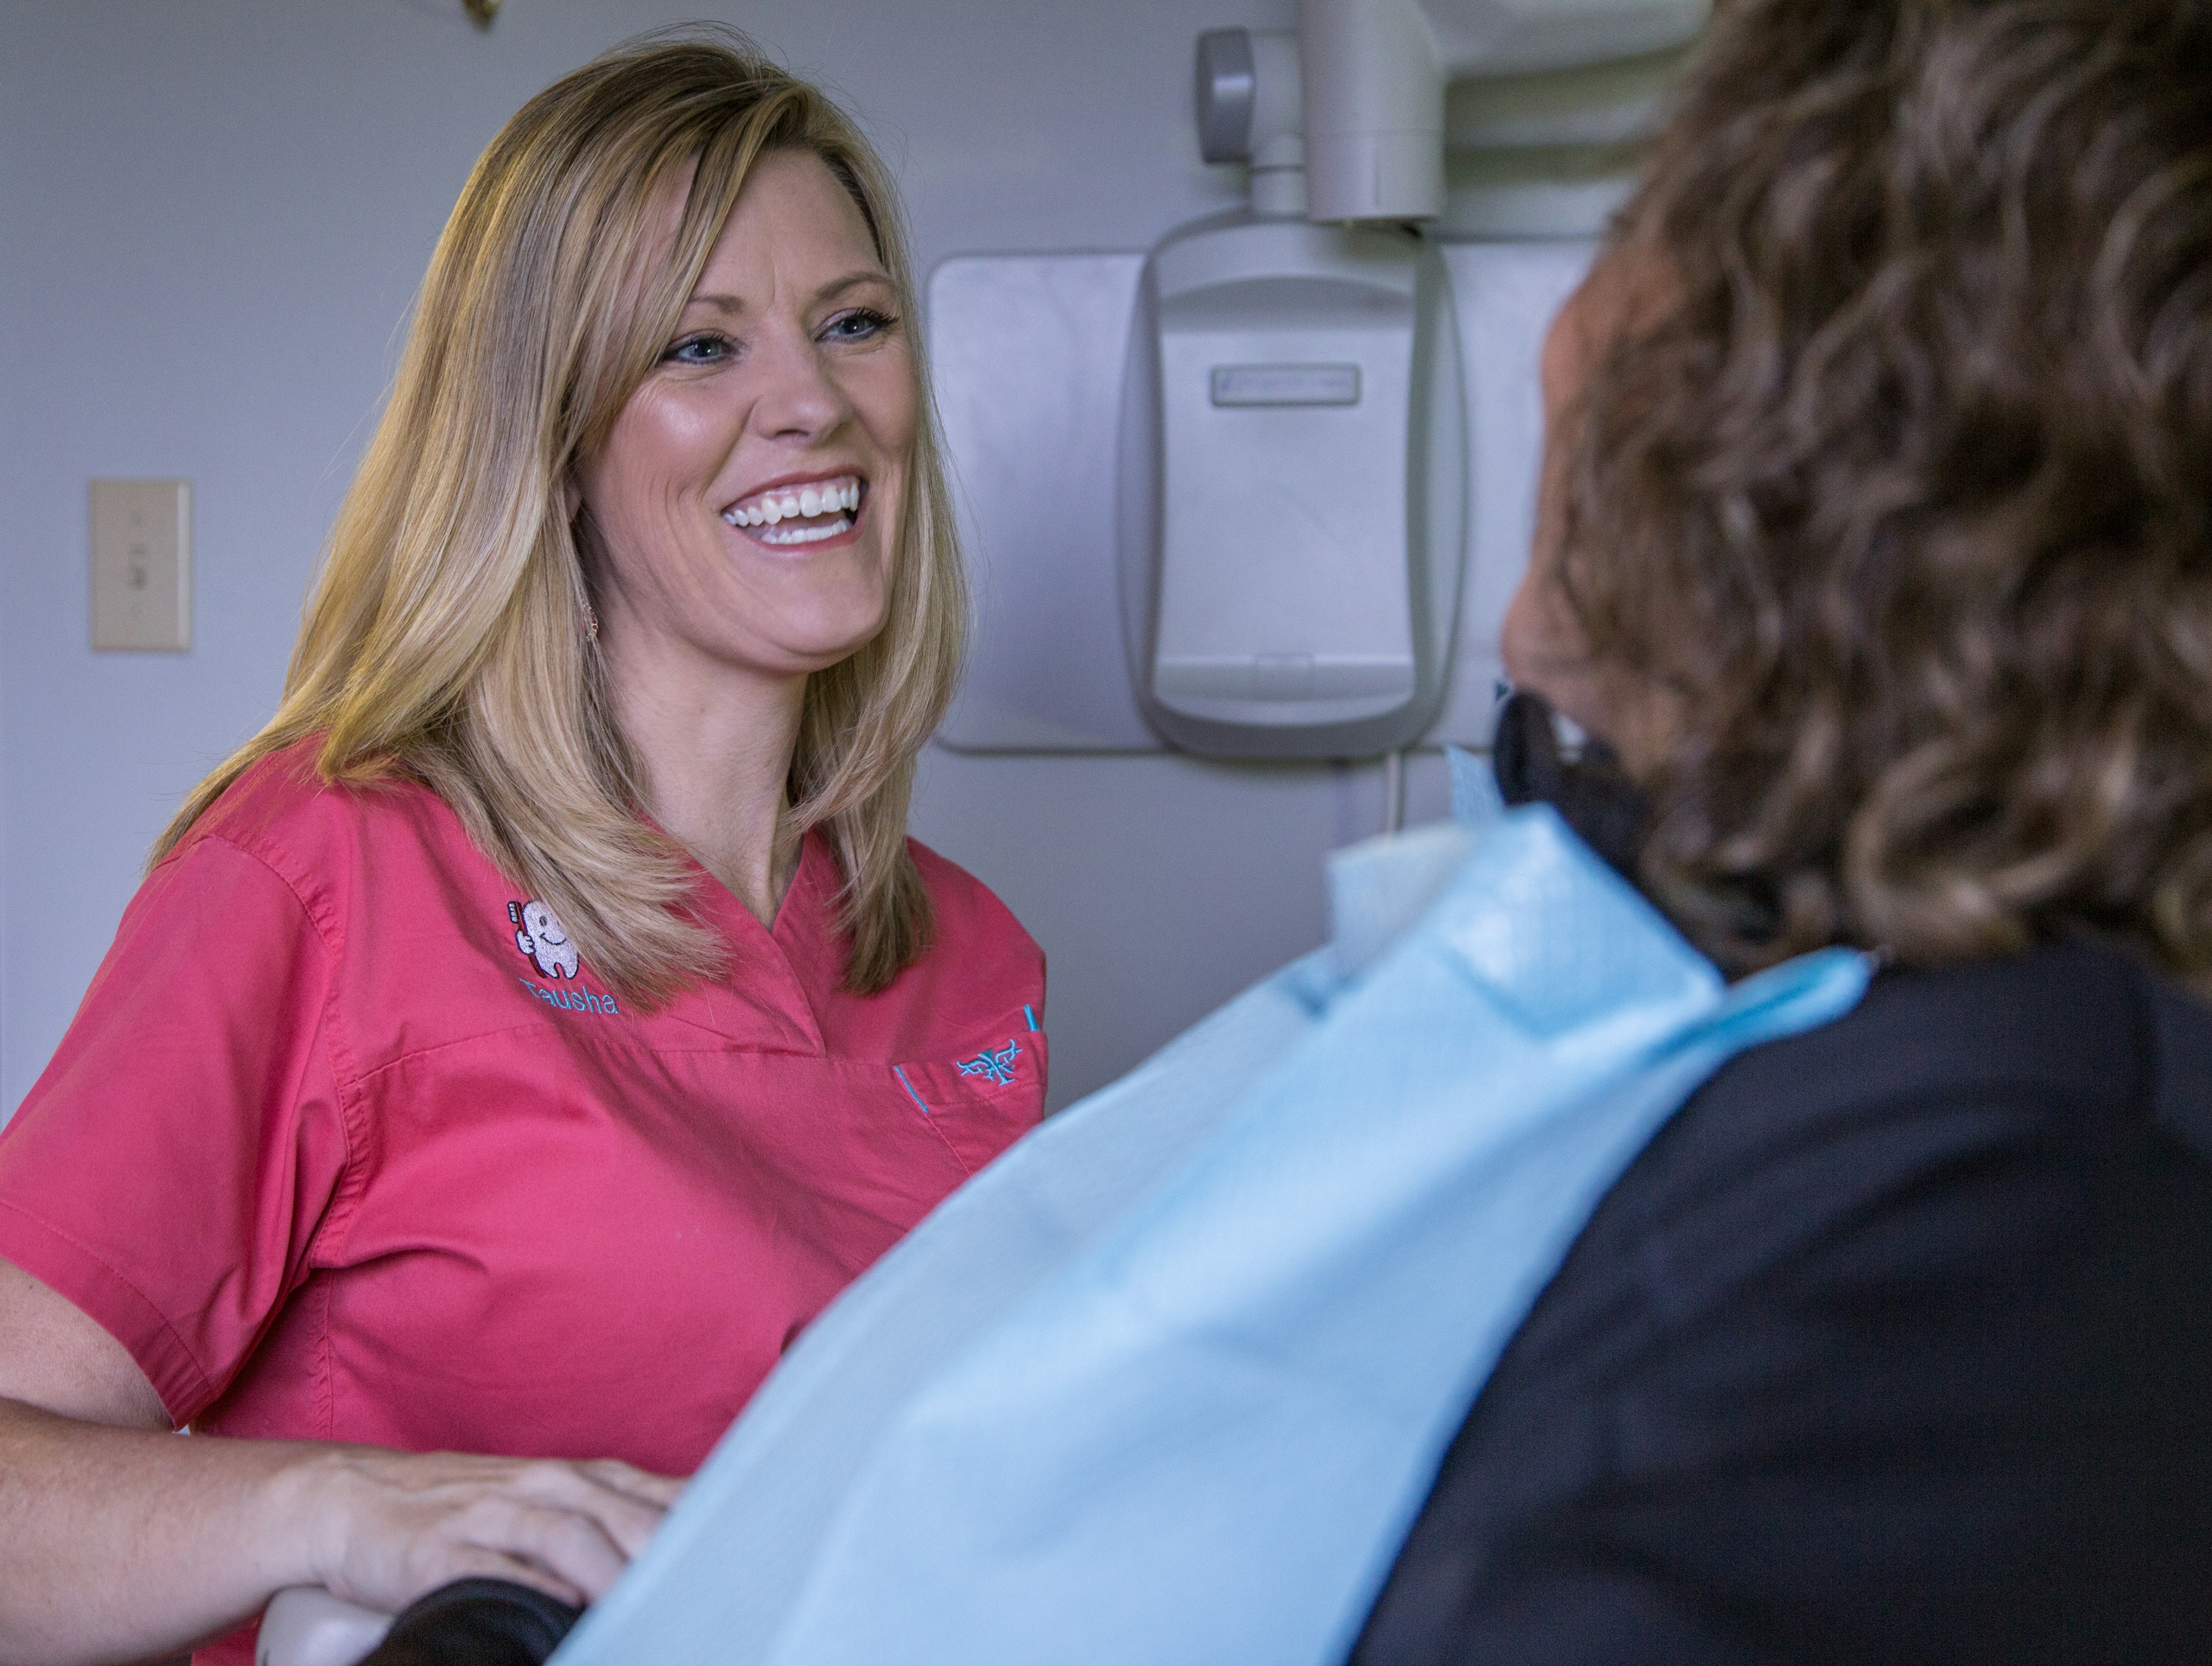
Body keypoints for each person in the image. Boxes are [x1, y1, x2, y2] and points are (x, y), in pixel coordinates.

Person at [0, 29, 1046, 1666]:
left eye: (855, 323)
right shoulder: (327, 872)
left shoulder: (969, 958)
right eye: (701, 347)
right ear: (551, 442)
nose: (815, 401)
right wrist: (343, 1507)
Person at [1354, 0, 2212, 1658]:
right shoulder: (1990, 1062)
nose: (1557, 342)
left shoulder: (1973, 1261)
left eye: (1627, 236)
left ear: (1777, 421)